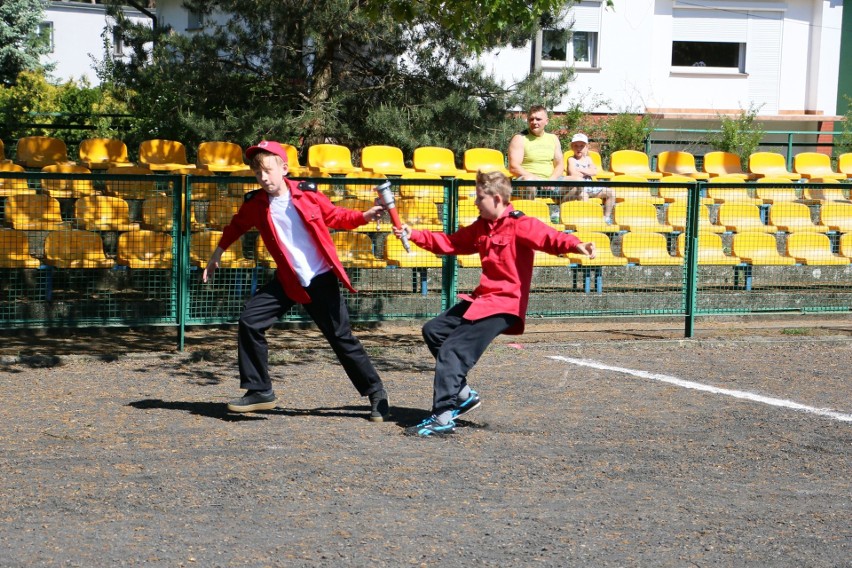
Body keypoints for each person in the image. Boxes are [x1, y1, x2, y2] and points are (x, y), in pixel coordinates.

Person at [393, 169, 596, 437]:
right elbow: (450, 243)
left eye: (479, 197)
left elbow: (550, 237)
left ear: (497, 199)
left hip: (503, 305)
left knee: (452, 351)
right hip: (482, 299)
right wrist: (414, 234)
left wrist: (576, 245)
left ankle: (442, 418)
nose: (475, 202)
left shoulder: (520, 224)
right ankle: (463, 397)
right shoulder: (481, 226)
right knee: (435, 331)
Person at [203, 140, 390, 421]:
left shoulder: (307, 195)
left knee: (341, 338)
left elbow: (336, 216)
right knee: (250, 321)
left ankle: (376, 393)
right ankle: (259, 390)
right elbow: (237, 225)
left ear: (284, 168)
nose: (263, 178)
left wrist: (364, 215)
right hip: (288, 280)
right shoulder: (256, 204)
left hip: (320, 278)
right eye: (257, 174)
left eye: (268, 170)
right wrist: (217, 253)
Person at [507, 105, 566, 200]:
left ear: (546, 121)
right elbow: (513, 167)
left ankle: (559, 212)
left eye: (538, 119)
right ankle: (529, 213)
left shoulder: (553, 138)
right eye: (531, 119)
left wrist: (552, 179)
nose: (534, 122)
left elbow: (560, 164)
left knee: (578, 181)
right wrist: (538, 180)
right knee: (529, 181)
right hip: (528, 182)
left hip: (551, 182)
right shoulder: (519, 138)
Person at [564, 132, 615, 223]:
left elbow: (594, 172)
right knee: (584, 196)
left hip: (592, 187)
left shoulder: (589, 159)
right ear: (572, 147)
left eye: (582, 146)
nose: (579, 148)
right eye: (576, 146)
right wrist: (587, 171)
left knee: (611, 192)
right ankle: (586, 219)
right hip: (580, 189)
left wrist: (581, 170)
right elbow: (574, 174)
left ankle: (606, 217)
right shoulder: (571, 159)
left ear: (587, 147)